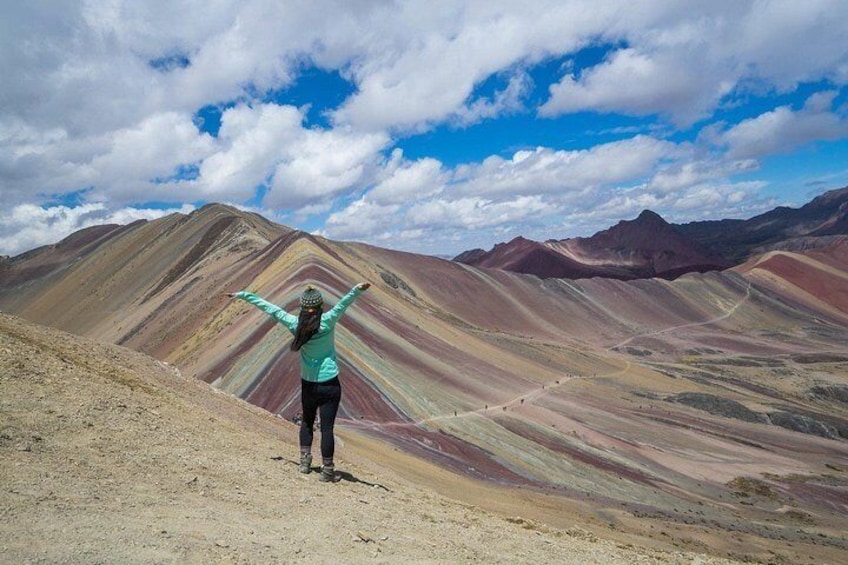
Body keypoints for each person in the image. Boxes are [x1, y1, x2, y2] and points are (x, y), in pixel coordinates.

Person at [226, 282, 371, 482]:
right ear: (320, 306)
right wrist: (357, 289)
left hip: (308, 385)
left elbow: (271, 309)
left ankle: (304, 463)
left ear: (302, 307)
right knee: (327, 428)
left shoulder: (294, 324)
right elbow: (344, 303)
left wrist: (243, 294)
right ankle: (327, 470)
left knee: (307, 422)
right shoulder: (328, 321)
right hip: (330, 384)